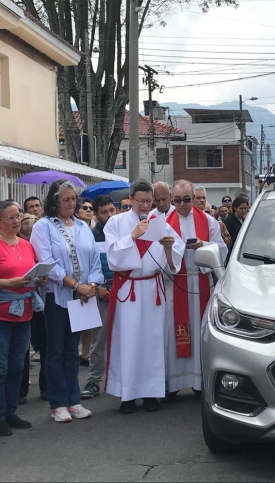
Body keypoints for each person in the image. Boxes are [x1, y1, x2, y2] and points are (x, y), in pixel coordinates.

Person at [104, 178, 184, 415]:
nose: (146, 206)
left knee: (152, 343)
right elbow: (112, 258)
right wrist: (133, 237)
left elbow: (173, 261)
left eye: (149, 201)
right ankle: (128, 396)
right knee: (128, 342)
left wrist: (169, 248)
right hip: (129, 288)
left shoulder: (161, 223)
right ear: (131, 200)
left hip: (152, 289)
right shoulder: (115, 223)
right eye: (141, 201)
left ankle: (151, 394)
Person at [30, 179, 104, 423]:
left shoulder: (83, 226)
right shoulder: (44, 226)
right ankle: (58, 403)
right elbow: (47, 263)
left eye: (74, 199)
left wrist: (90, 286)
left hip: (82, 296)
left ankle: (74, 400)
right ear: (55, 201)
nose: (71, 203)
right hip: (57, 296)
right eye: (66, 200)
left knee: (73, 350)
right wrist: (75, 285)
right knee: (56, 349)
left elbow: (94, 260)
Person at [0, 201, 47, 439]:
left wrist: (37, 281)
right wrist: (10, 283)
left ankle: (11, 412)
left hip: (24, 312)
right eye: (10, 218)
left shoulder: (27, 245)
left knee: (17, 366)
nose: (16, 221)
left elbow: (30, 272)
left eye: (18, 216)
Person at [164, 180, 228, 401]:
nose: (182, 204)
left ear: (193, 198)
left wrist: (203, 244)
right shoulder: (164, 222)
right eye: (177, 200)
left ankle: (199, 382)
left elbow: (222, 248)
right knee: (175, 332)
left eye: (186, 199)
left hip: (200, 281)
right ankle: (173, 383)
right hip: (176, 283)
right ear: (172, 199)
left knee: (200, 332)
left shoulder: (208, 220)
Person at [81, 195, 117, 400]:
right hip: (101, 293)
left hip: (124, 292)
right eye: (104, 212)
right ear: (96, 214)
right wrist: (100, 288)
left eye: (112, 210)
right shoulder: (91, 236)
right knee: (99, 340)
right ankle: (94, 380)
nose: (109, 215)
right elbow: (88, 267)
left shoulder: (123, 232)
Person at [18, 214, 48, 404]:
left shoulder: (39, 248)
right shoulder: (19, 248)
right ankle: (21, 390)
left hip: (41, 300)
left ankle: (45, 387)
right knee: (22, 347)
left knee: (46, 343)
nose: (30, 239)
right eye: (27, 234)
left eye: (33, 235)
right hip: (21, 300)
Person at [74, 197, 95, 364]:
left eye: (90, 208)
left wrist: (93, 283)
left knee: (88, 323)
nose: (88, 210)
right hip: (74, 283)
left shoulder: (92, 231)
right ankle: (75, 351)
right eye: (84, 208)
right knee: (76, 324)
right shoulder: (72, 230)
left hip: (91, 282)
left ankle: (85, 353)